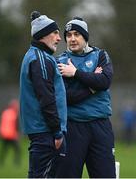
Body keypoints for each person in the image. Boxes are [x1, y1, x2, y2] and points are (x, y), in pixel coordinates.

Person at [56, 17, 116, 178]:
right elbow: (66, 97)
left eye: (77, 34)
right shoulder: (60, 62)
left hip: (100, 127)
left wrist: (75, 73)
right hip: (73, 127)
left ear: (85, 36)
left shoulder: (100, 55)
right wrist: (91, 88)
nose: (72, 39)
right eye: (68, 35)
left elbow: (104, 81)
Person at [19, 11, 67, 178]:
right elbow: (46, 98)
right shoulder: (40, 59)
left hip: (43, 132)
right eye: (55, 33)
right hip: (47, 133)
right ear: (43, 35)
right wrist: (57, 132)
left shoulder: (37, 56)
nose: (59, 38)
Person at [0, 99, 21, 166]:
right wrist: (17, 135)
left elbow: (2, 123)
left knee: (4, 149)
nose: (17, 107)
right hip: (11, 135)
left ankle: (0, 162)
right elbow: (16, 126)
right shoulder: (14, 114)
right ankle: (17, 163)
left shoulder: (5, 112)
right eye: (16, 106)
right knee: (17, 149)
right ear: (13, 106)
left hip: (4, 134)